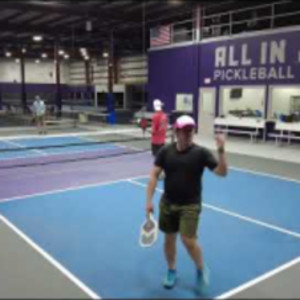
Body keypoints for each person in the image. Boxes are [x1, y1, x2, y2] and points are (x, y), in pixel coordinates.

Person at [145, 115, 227, 295]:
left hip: (190, 205)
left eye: (191, 129)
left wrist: (221, 150)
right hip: (168, 203)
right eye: (185, 130)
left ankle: (200, 268)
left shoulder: (201, 153)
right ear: (176, 131)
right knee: (169, 239)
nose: (189, 133)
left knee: (188, 240)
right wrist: (149, 201)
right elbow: (153, 176)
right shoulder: (165, 152)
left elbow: (222, 172)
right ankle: (172, 270)